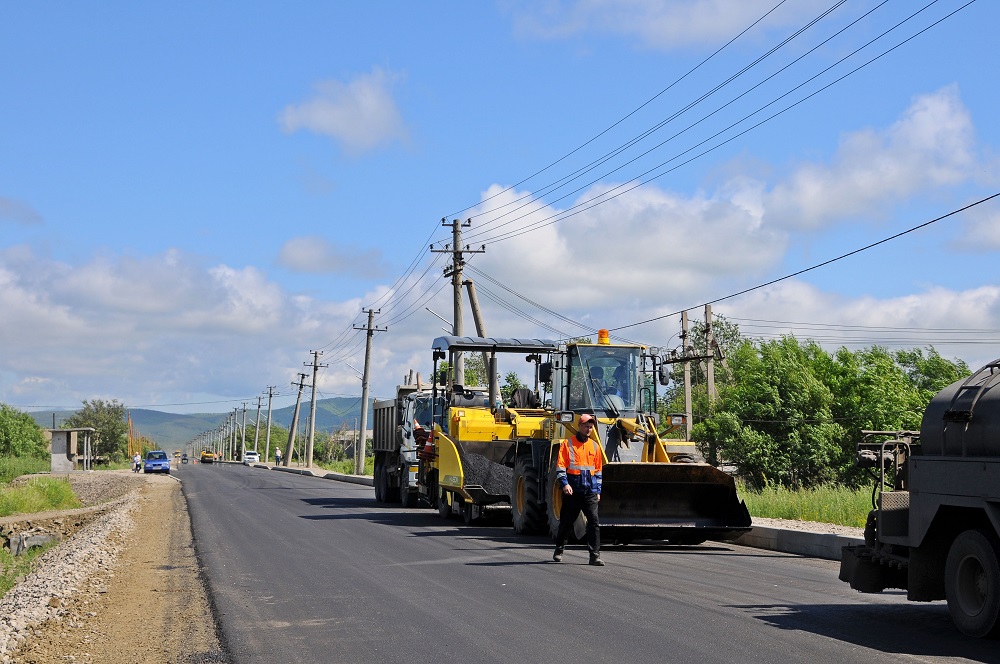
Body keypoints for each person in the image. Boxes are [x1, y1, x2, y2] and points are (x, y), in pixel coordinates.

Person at [552, 413, 605, 566]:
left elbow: (598, 472)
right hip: (573, 491)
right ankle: (559, 549)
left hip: (590, 492)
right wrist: (565, 484)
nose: (589, 429)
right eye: (586, 426)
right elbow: (561, 467)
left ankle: (595, 556)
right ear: (580, 426)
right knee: (566, 523)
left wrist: (598, 491)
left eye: (591, 427)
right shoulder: (567, 444)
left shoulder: (595, 446)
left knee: (594, 522)